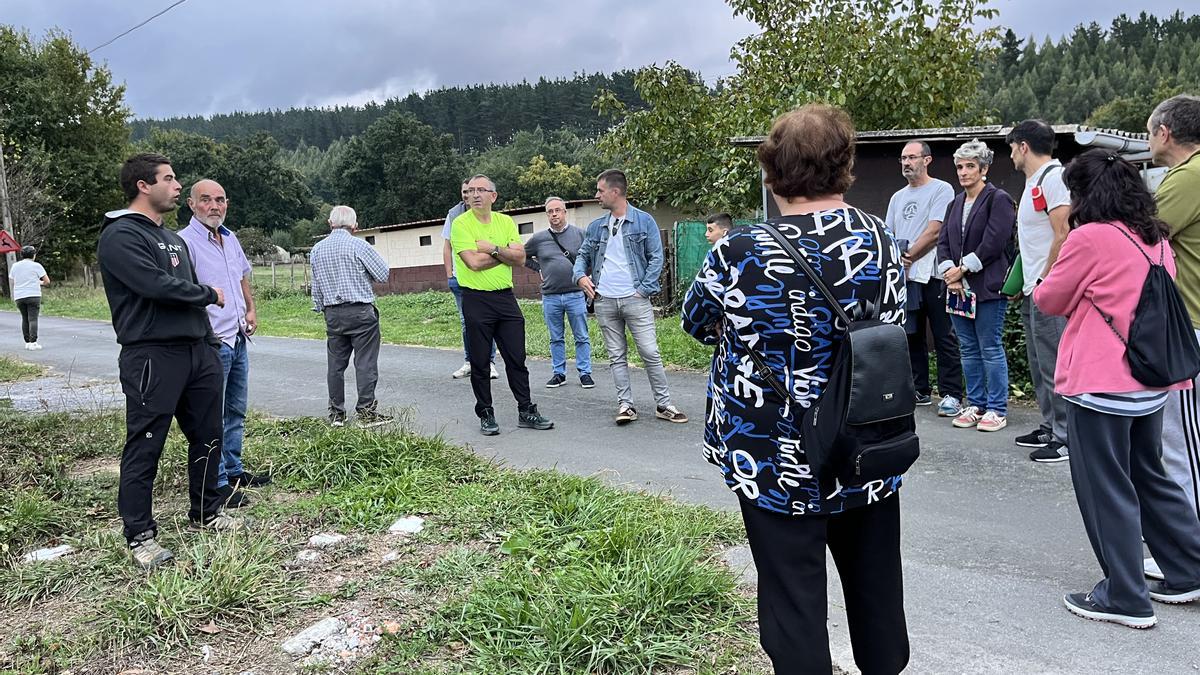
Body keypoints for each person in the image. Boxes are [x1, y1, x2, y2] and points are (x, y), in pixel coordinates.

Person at [682, 104, 909, 674]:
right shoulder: (881, 237)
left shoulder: (739, 250)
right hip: (867, 441)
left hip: (772, 454)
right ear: (845, 165)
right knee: (877, 584)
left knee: (791, 596)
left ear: (772, 171)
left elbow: (696, 321)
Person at [1034, 149, 1200, 628]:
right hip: (1150, 381)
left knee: (1105, 488)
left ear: (1085, 194)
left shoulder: (1089, 238)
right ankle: (1189, 569)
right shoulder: (1155, 237)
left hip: (1100, 384)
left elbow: (1049, 299)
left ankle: (1125, 596)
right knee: (1151, 477)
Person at [97, 153, 243, 569]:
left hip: (198, 351)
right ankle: (140, 535)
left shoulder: (173, 239)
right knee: (146, 444)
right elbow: (154, 285)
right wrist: (209, 294)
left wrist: (209, 344)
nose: (177, 186)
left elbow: (184, 289)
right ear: (143, 185)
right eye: (169, 178)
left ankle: (206, 512)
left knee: (209, 434)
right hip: (152, 355)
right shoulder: (121, 234)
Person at [178, 179, 269, 508]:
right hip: (212, 340)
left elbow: (242, 276)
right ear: (192, 204)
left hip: (238, 335)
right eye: (206, 200)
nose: (214, 206)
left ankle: (233, 469)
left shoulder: (230, 238)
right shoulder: (183, 243)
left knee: (235, 410)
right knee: (211, 416)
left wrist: (251, 308)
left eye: (220, 200)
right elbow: (183, 291)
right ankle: (216, 484)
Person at [573, 169, 687, 425]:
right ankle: (625, 405)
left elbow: (656, 258)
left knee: (650, 352)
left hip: (635, 299)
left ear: (615, 192)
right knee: (616, 356)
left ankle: (664, 404)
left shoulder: (644, 221)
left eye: (600, 190)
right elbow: (582, 255)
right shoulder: (596, 226)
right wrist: (579, 276)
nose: (597, 195)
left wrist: (643, 290)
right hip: (604, 300)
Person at [450, 174, 553, 435]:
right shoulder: (460, 224)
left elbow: (521, 258)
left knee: (517, 358)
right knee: (480, 362)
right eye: (471, 190)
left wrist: (492, 248)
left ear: (493, 196)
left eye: (481, 190)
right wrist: (506, 253)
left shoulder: (505, 222)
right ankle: (486, 413)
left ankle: (526, 410)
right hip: (475, 299)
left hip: (505, 298)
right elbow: (473, 263)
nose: (474, 195)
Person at [1146, 94, 1200, 581]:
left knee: (1181, 444)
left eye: (1149, 132)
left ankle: (1189, 552)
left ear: (1164, 132)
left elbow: (1142, 234)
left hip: (1190, 326)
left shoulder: (1187, 178)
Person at [936, 140, 1016, 432]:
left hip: (987, 287)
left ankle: (996, 408)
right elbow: (943, 243)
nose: (964, 171)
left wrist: (963, 269)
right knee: (968, 348)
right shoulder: (954, 203)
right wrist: (951, 274)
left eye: (970, 166)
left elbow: (995, 241)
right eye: (960, 166)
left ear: (984, 169)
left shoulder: (999, 199)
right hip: (957, 289)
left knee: (990, 347)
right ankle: (976, 403)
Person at [1008, 119, 1072, 463]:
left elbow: (1063, 233)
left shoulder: (1054, 178)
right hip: (1032, 287)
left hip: (1049, 289)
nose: (1011, 156)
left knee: (1054, 363)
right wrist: (1023, 282)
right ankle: (1050, 426)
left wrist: (1046, 279)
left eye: (1012, 148)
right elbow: (1034, 242)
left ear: (1023, 147)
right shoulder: (1033, 181)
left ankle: (1065, 437)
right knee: (1038, 363)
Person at [885, 141, 962, 416]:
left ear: (927, 160)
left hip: (934, 274)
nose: (906, 163)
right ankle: (920, 389)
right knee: (911, 335)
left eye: (912, 157)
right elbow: (889, 233)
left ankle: (952, 393)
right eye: (903, 158)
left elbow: (935, 231)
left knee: (944, 335)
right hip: (906, 277)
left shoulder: (941, 189)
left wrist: (909, 256)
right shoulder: (897, 197)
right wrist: (900, 261)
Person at [309, 205, 393, 428]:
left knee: (335, 365)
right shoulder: (359, 245)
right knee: (365, 362)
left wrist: (320, 307)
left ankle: (337, 414)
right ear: (355, 226)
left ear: (330, 223)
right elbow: (383, 274)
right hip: (360, 310)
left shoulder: (317, 249)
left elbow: (316, 285)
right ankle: (366, 412)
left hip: (332, 312)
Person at [524, 196, 594, 389]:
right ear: (547, 215)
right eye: (550, 211)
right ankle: (559, 373)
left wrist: (586, 275)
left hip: (576, 294)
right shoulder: (538, 239)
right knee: (556, 337)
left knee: (581, 336)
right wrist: (537, 268)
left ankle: (585, 373)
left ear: (565, 212)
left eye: (557, 210)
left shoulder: (580, 234)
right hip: (550, 296)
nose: (554, 214)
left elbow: (592, 257)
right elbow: (522, 256)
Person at [443, 179, 497, 380]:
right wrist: (450, 275)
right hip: (460, 279)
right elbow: (447, 246)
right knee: (467, 322)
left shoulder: (487, 214)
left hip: (483, 276)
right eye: (465, 191)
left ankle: (489, 362)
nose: (469, 195)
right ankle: (469, 361)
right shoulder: (453, 215)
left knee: (487, 320)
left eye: (473, 191)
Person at [9, 245, 49, 350]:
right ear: (33, 255)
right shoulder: (36, 266)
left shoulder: (15, 266)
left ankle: (27, 342)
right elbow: (46, 281)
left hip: (19, 296)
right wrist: (38, 282)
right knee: (33, 319)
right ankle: (33, 342)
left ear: (22, 255)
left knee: (25, 318)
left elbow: (12, 281)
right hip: (33, 295)